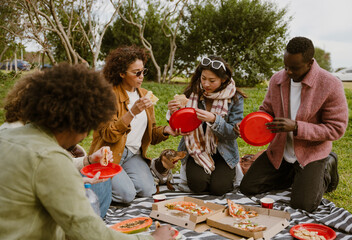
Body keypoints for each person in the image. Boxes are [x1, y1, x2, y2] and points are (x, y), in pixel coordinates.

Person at [0, 63, 175, 240]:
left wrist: (78, 172)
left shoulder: (6, 134)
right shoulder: (50, 159)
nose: (85, 136)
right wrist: (153, 239)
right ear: (78, 124)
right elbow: (90, 234)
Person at [238, 37, 348, 212]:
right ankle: (296, 175)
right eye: (285, 66)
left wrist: (297, 127)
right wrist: (250, 125)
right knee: (248, 188)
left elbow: (337, 128)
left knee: (304, 205)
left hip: (311, 152)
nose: (288, 72)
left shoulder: (330, 84)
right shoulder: (277, 79)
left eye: (294, 68)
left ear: (310, 63)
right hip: (280, 151)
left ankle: (327, 166)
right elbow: (266, 110)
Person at [0, 77, 112, 219]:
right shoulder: (17, 135)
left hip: (37, 194)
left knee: (100, 175)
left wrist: (88, 159)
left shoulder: (30, 128)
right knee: (98, 182)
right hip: (24, 210)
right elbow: (45, 168)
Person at [89, 45, 177, 204]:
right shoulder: (107, 95)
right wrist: (131, 113)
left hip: (133, 155)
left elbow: (151, 134)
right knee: (126, 196)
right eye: (136, 72)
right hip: (110, 155)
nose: (141, 76)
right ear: (122, 73)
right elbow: (109, 134)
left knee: (147, 190)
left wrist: (166, 130)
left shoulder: (145, 95)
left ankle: (115, 180)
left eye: (144, 71)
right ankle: (95, 181)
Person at [167, 56, 246, 195]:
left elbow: (233, 133)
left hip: (223, 152)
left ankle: (222, 175)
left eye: (212, 80)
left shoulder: (235, 98)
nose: (206, 84)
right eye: (203, 78)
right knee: (198, 185)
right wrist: (173, 113)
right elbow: (179, 125)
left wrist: (215, 120)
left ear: (223, 79)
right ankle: (205, 174)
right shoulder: (191, 93)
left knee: (219, 189)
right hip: (196, 150)